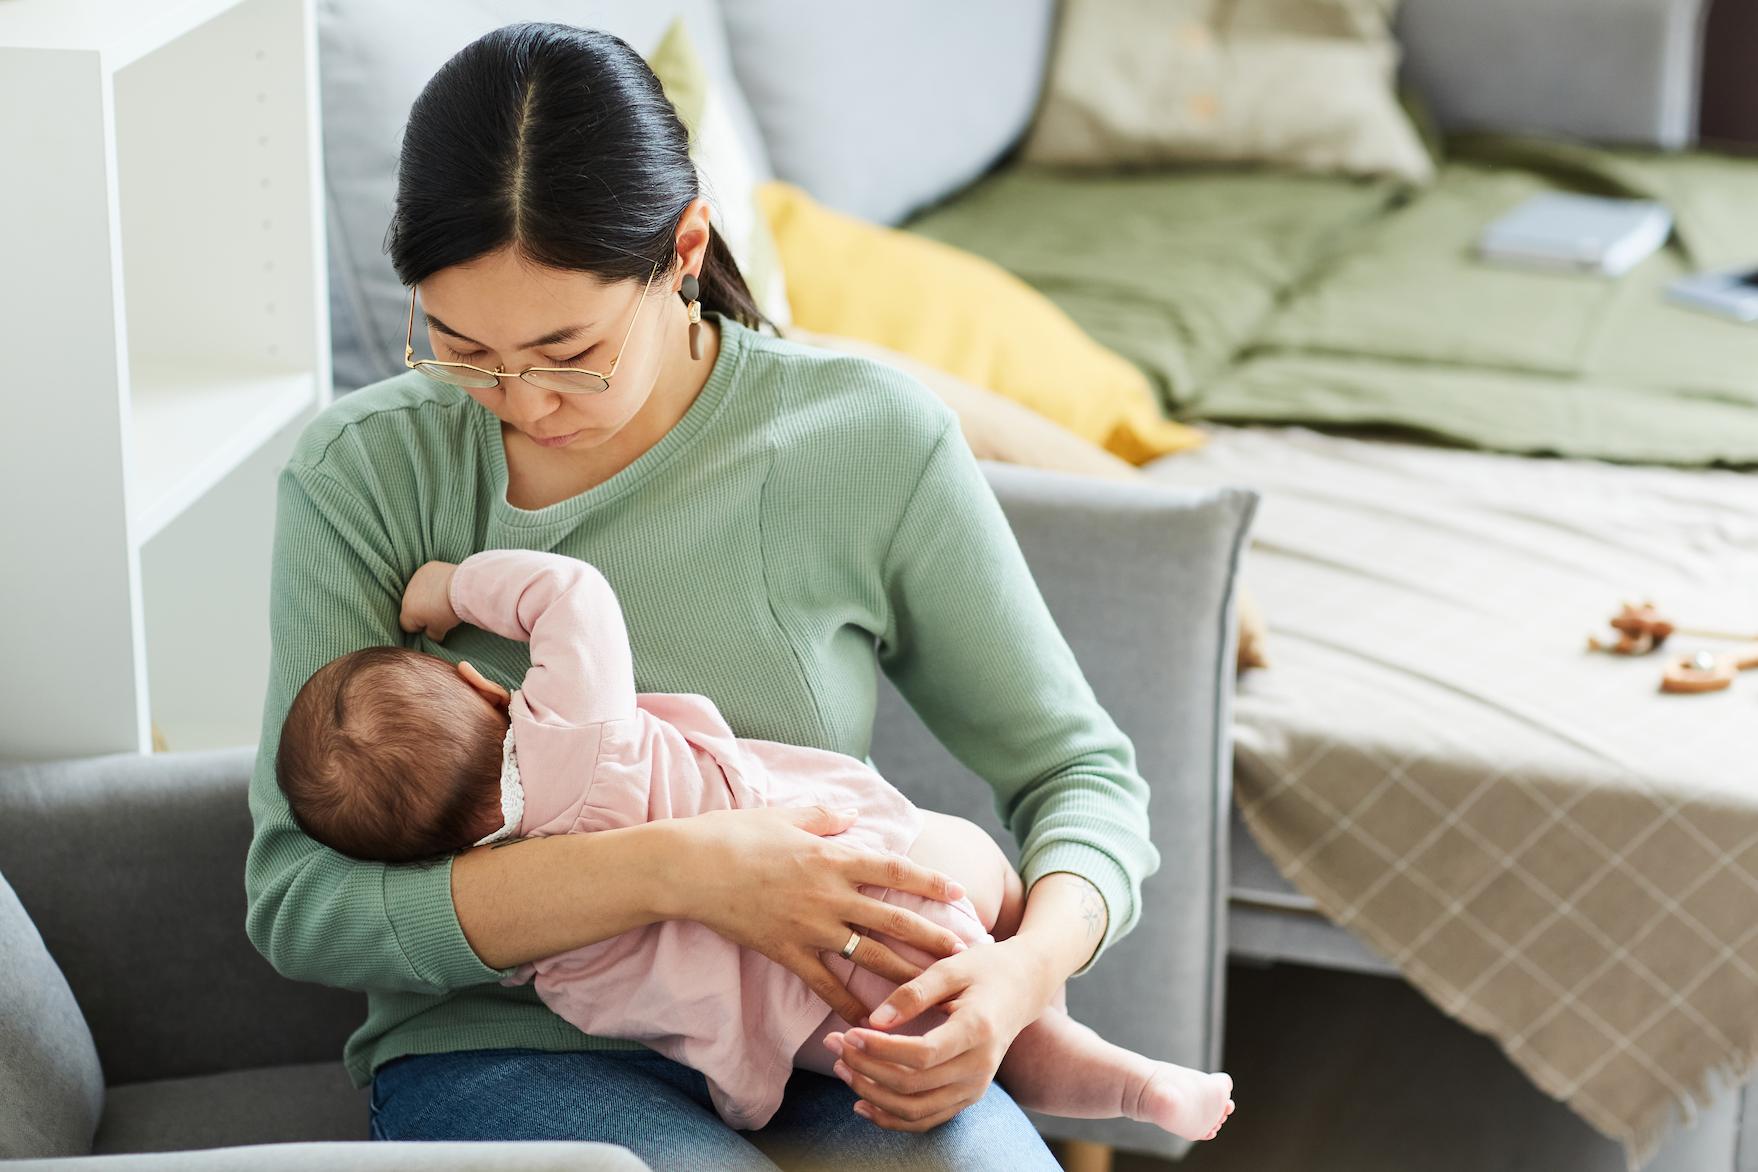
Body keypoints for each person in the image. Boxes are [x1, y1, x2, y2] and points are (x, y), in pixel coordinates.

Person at [244, 20, 1166, 1169]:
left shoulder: (865, 436)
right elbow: (299, 898)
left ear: (682, 250)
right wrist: (691, 869)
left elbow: (1078, 772)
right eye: (462, 349)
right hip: (514, 1046)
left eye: (568, 348)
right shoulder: (366, 474)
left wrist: (1019, 973)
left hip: (841, 1023)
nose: (523, 402)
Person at [274, 548, 1235, 1141]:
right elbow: (571, 594)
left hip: (813, 1027)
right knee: (1004, 975)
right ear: (489, 691)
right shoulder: (573, 728)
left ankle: (1112, 1074)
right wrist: (453, 587)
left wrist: (745, 1091)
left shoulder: (541, 953)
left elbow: (661, 1018)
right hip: (882, 869)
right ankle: (1134, 1080)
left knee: (962, 1051)